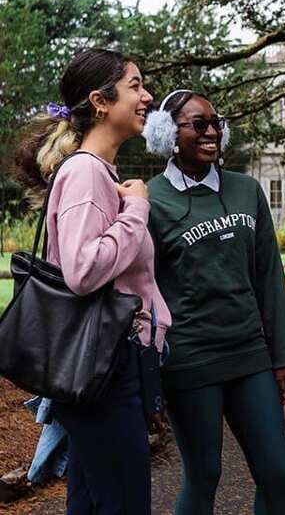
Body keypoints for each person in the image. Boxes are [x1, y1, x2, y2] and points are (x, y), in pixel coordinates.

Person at [13, 47, 171, 515]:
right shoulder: (86, 173)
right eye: (135, 86)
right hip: (104, 364)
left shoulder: (99, 172)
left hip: (105, 361)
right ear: (101, 102)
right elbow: (83, 272)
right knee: (123, 504)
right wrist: (138, 208)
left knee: (90, 502)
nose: (147, 96)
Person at [143, 89, 285, 515]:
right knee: (204, 475)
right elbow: (142, 291)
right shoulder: (150, 200)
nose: (212, 132)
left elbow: (269, 276)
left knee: (276, 471)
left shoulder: (246, 190)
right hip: (190, 360)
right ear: (167, 134)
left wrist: (283, 355)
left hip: (249, 354)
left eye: (217, 123)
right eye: (199, 124)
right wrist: (149, 379)